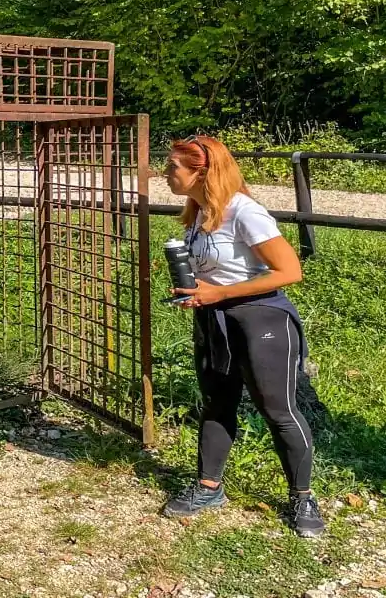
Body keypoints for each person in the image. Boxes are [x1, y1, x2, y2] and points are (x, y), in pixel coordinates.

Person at [160, 135, 324, 538]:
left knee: (278, 411)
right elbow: (220, 271)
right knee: (217, 403)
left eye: (172, 167)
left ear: (201, 172)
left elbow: (290, 272)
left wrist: (219, 293)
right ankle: (208, 487)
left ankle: (302, 497)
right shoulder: (199, 213)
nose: (165, 174)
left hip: (261, 320)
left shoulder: (244, 212)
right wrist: (198, 290)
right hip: (214, 319)